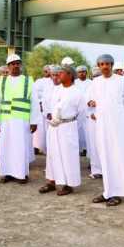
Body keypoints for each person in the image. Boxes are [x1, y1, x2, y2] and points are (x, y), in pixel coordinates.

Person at [86, 54, 124, 206]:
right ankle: (108, 191)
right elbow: (89, 101)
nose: (105, 66)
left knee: (119, 158)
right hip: (102, 126)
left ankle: (119, 192)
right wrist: (92, 108)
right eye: (101, 64)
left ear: (112, 65)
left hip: (118, 127)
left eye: (107, 64)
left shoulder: (122, 81)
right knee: (105, 158)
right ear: (98, 65)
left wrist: (121, 119)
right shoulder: (95, 82)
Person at [0, 54, 40, 184]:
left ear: (20, 65)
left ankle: (21, 174)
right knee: (5, 147)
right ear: (8, 67)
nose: (15, 65)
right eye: (12, 63)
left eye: (17, 63)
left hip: (22, 121)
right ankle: (6, 173)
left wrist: (34, 121)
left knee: (20, 147)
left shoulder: (28, 81)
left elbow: (34, 102)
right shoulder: (1, 81)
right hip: (5, 120)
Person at [39, 65, 84, 196]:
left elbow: (82, 114)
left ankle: (68, 184)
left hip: (68, 127)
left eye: (61, 73)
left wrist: (70, 124)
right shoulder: (56, 90)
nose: (58, 75)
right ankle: (51, 182)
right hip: (53, 126)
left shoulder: (77, 92)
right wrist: (50, 117)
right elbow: (49, 106)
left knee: (68, 156)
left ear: (70, 75)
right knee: (52, 155)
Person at [86, 66, 103, 179]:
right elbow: (84, 102)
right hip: (92, 120)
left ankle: (106, 169)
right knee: (94, 145)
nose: (97, 77)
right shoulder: (90, 87)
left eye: (99, 75)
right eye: (95, 76)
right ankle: (96, 170)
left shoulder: (107, 86)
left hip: (105, 120)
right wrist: (89, 103)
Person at [32, 65, 52, 154]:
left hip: (49, 108)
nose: (47, 72)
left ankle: (48, 148)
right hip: (39, 107)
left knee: (48, 129)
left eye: (48, 70)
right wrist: (39, 103)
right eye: (45, 70)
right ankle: (36, 147)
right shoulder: (39, 81)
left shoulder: (54, 81)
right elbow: (35, 93)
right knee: (38, 130)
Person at [75, 65, 91, 156]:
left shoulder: (91, 82)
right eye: (80, 72)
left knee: (86, 131)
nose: (82, 73)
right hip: (77, 110)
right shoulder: (74, 83)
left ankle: (86, 149)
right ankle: (78, 149)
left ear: (86, 72)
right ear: (77, 74)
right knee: (77, 130)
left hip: (87, 110)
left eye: (83, 71)